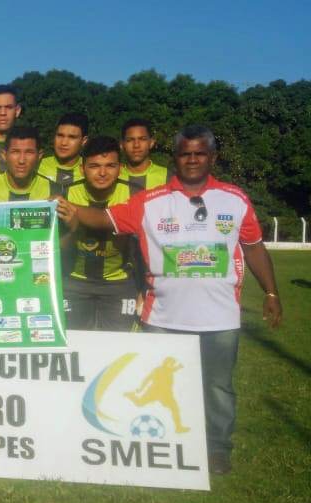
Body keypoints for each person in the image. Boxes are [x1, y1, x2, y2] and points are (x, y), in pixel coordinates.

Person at [57, 125, 283, 475]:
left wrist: (271, 291)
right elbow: (104, 219)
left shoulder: (235, 199)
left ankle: (217, 449)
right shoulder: (151, 200)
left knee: (218, 387)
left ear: (212, 157)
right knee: (158, 388)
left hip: (221, 317)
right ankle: (160, 444)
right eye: (185, 154)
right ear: (175, 158)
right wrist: (66, 208)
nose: (192, 159)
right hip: (162, 317)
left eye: (199, 153)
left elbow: (253, 247)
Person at [61, 136, 138, 331]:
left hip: (119, 282)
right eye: (94, 166)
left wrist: (143, 289)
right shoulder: (65, 194)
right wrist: (72, 231)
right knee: (74, 342)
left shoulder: (135, 195)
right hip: (74, 281)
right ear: (82, 169)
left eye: (110, 166)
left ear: (120, 168)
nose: (102, 173)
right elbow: (55, 248)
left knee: (119, 345)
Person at [0, 126, 59, 202]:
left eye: (29, 152)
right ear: (4, 155)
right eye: (15, 152)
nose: (21, 160)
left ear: (39, 155)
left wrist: (66, 209)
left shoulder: (55, 190)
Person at [118, 118, 172, 190]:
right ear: (121, 145)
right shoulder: (112, 178)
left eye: (142, 139)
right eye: (130, 140)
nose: (136, 145)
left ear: (151, 143)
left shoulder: (168, 177)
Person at [38, 113, 88, 189]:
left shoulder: (91, 170)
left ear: (84, 141)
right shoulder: (37, 167)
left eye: (72, 137)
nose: (64, 143)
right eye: (60, 135)